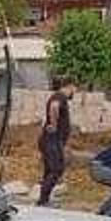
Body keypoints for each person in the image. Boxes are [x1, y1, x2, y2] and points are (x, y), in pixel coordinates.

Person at [37, 77, 76, 206]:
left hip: (51, 140)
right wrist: (53, 124)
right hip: (52, 140)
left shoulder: (57, 96)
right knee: (57, 169)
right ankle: (43, 201)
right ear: (70, 86)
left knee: (49, 170)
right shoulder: (60, 96)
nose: (74, 92)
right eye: (74, 89)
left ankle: (43, 200)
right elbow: (54, 107)